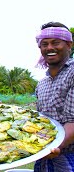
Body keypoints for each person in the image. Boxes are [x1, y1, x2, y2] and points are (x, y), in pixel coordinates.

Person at [34, 22, 74, 172]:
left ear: (69, 44)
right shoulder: (41, 84)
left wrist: (52, 146)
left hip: (69, 155)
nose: (49, 48)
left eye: (55, 42)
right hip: (43, 157)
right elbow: (41, 120)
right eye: (44, 44)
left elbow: (73, 121)